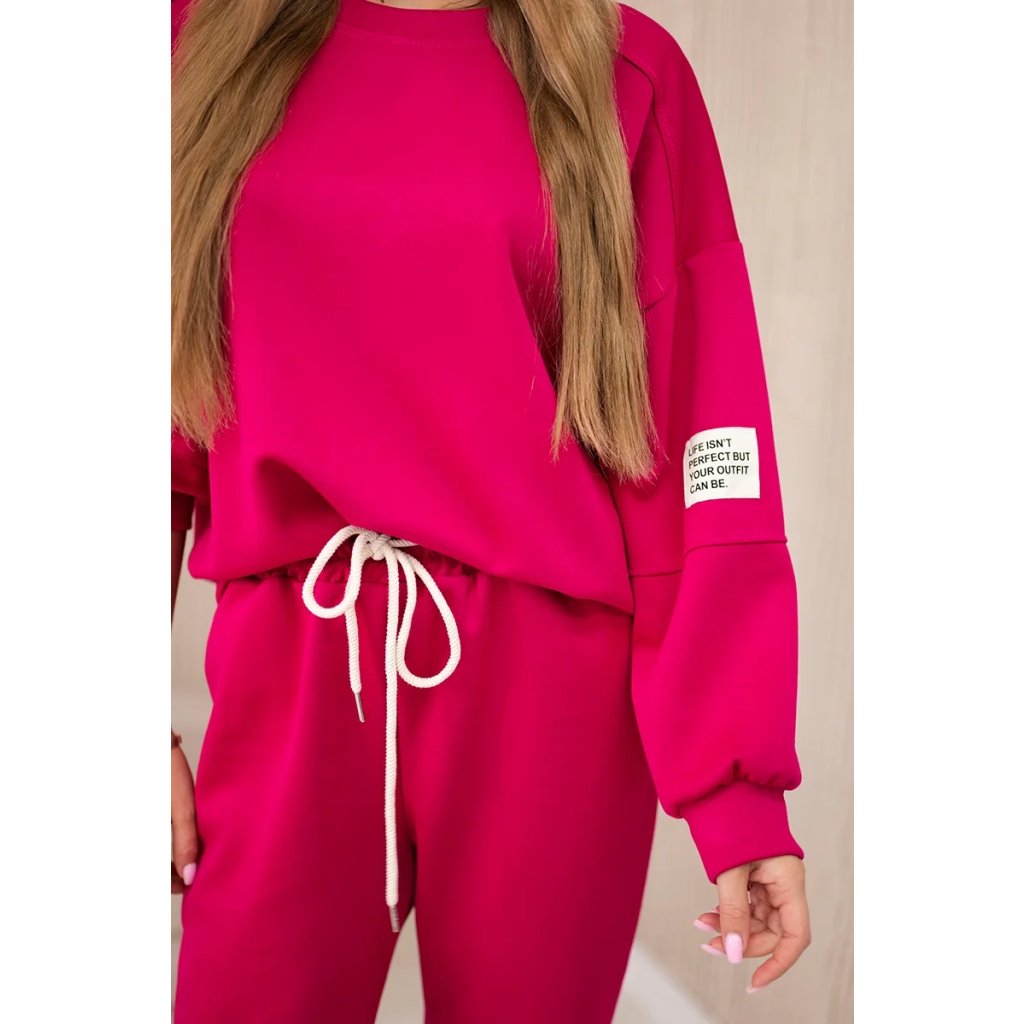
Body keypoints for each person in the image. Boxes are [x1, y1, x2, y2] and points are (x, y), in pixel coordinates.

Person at [170, 1, 811, 1020]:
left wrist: (737, 791)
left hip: (547, 684)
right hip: (292, 656)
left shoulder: (625, 71)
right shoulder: (198, 41)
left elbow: (701, 430)